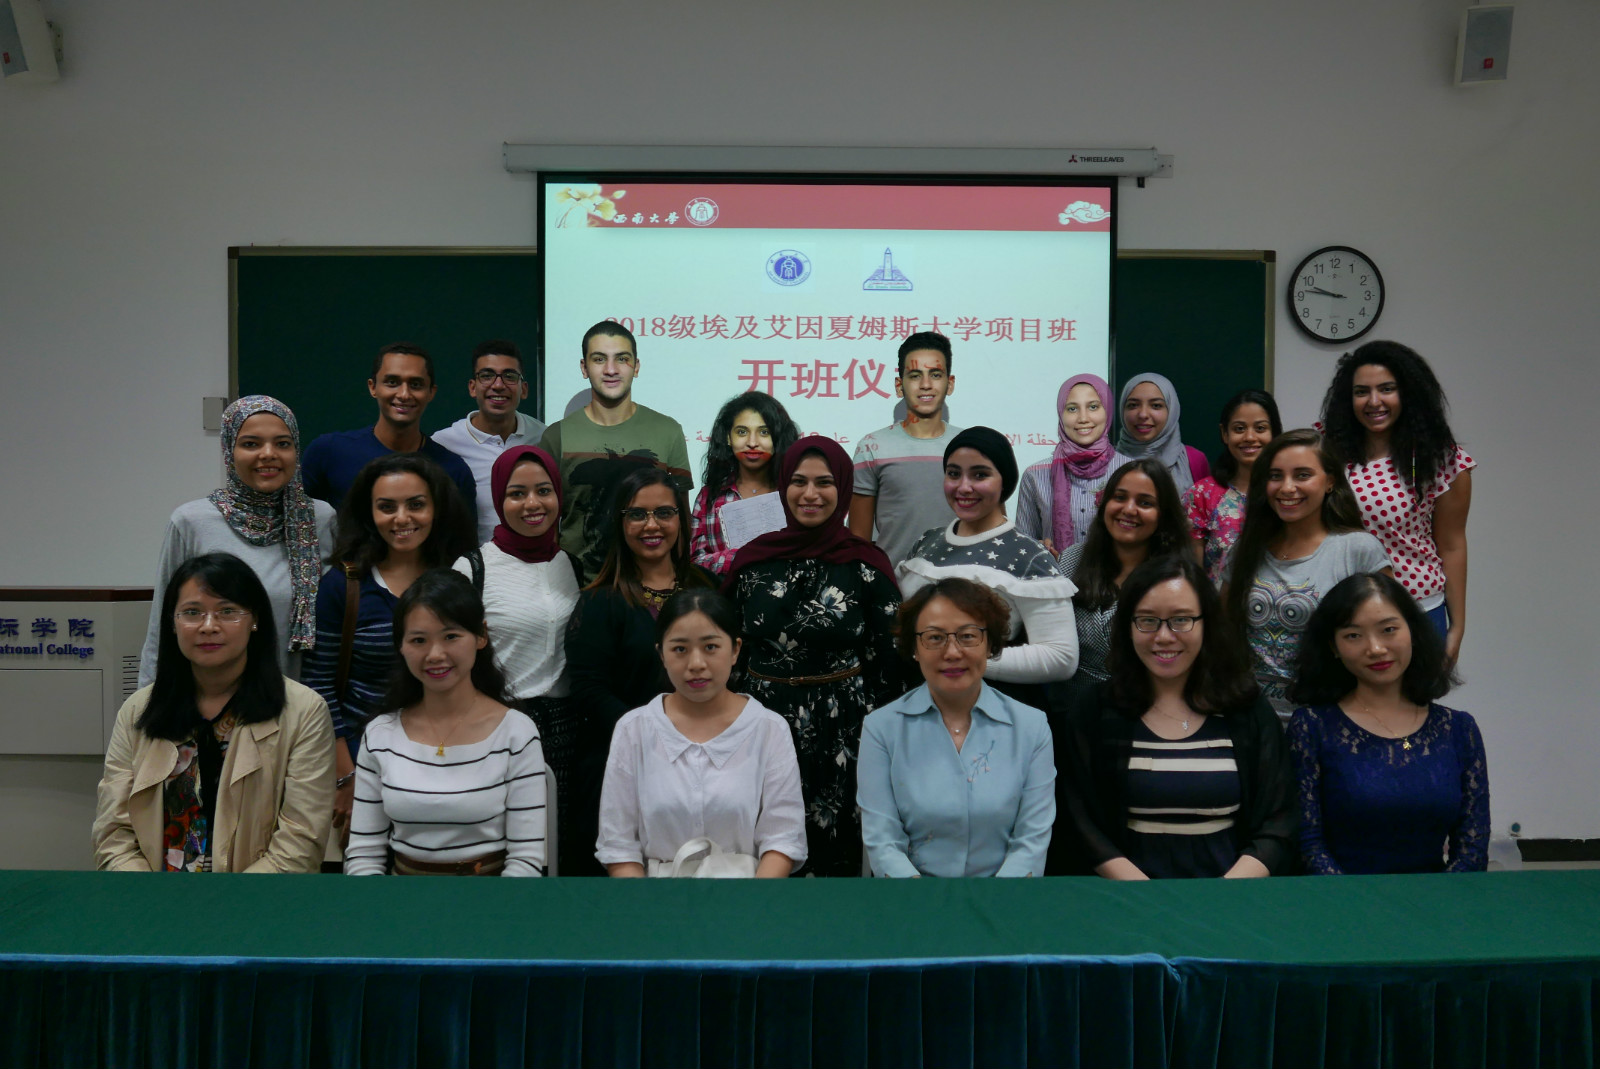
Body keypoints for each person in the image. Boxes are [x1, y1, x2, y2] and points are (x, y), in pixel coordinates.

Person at [1049, 555, 1295, 879]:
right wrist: (1144, 893)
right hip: (1126, 897)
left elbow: (1279, 818)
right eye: (1147, 620)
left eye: (1181, 620)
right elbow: (1080, 819)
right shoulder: (1095, 710)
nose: (1164, 636)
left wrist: (1228, 892)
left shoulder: (1245, 708)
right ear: (1128, 626)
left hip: (1233, 894)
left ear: (1207, 623)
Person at [725, 436, 904, 877]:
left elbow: (891, 661)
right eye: (799, 482)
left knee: (837, 848)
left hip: (844, 727)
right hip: (759, 723)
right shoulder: (753, 560)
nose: (810, 494)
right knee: (760, 841)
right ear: (783, 486)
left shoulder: (865, 564)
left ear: (842, 488)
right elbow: (728, 649)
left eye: (824, 483)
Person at [94, 552, 335, 872]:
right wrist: (148, 894)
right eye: (192, 612)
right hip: (151, 896)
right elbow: (114, 836)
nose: (208, 626)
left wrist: (227, 900)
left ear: (255, 620)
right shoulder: (138, 711)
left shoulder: (304, 712)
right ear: (172, 623)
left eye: (227, 611)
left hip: (256, 898)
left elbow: (300, 843)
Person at [301, 453, 477, 843]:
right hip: (363, 762)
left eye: (416, 504)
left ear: (436, 508)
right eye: (386, 507)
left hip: (449, 760)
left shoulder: (460, 577)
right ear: (369, 513)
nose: (402, 518)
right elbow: (319, 685)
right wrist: (347, 777)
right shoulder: (344, 585)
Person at [345, 569, 547, 876]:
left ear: (481, 636)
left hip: (493, 896)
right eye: (418, 640)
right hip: (399, 897)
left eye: (451, 636)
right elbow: (364, 855)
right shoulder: (380, 734)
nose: (435, 654)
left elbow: (526, 860)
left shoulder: (516, 732)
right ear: (401, 646)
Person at [565, 466, 716, 874]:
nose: (652, 525)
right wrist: (655, 735)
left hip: (704, 762)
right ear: (620, 522)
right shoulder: (599, 601)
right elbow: (589, 690)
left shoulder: (707, 588)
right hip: (622, 766)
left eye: (664, 513)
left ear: (681, 520)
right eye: (637, 514)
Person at [597, 588, 807, 877]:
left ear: (735, 650)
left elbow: (783, 839)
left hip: (747, 892)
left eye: (710, 647)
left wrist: (752, 901)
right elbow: (619, 846)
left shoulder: (768, 728)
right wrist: (647, 904)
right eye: (680, 649)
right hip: (654, 895)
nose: (696, 664)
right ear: (661, 654)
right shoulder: (633, 729)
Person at [1287, 573, 1488, 874]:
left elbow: (1472, 849)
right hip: (1339, 898)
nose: (1376, 648)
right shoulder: (1311, 727)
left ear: (1413, 631)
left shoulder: (1458, 729)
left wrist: (1442, 898)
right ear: (1333, 647)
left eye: (1388, 630)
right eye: (1353, 635)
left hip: (1439, 898)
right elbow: (1308, 845)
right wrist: (1353, 899)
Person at [857, 578, 1055, 877]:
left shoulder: (1031, 726)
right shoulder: (882, 728)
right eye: (934, 638)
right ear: (914, 648)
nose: (952, 652)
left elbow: (1031, 841)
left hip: (1005, 897)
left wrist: (995, 902)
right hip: (912, 898)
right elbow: (883, 841)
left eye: (968, 636)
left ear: (990, 644)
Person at [139, 395, 336, 687]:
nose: (268, 454)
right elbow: (163, 624)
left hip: (303, 697)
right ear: (229, 450)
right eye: (251, 444)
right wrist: (150, 699)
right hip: (213, 696)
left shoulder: (320, 519)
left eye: (283, 444)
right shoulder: (192, 522)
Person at [452, 445, 581, 873]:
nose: (532, 504)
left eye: (543, 490)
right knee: (495, 852)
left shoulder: (570, 565)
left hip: (565, 729)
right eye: (516, 493)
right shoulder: (472, 568)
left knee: (557, 850)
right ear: (498, 499)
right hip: (497, 725)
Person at [1318, 341, 1474, 663]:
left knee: (1412, 697)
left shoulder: (1441, 459)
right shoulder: (1327, 451)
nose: (1374, 401)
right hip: (1341, 611)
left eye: (1387, 389)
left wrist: (1457, 626)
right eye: (1362, 392)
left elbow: (1452, 545)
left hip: (1416, 611)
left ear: (1409, 393)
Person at [898, 427, 1079, 700]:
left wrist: (960, 659)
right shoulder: (927, 542)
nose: (964, 487)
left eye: (980, 475)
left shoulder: (1030, 556)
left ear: (1004, 481)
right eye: (954, 473)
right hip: (918, 699)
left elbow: (1060, 657)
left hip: (989, 705)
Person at [1222, 429, 1391, 720]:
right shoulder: (1246, 550)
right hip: (1251, 721)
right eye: (1275, 476)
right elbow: (1222, 630)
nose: (1287, 488)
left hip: (1328, 722)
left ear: (1330, 481)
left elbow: (1384, 643)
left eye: (1302, 475)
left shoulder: (1358, 550)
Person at [538, 321, 693, 581]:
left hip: (651, 587)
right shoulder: (556, 437)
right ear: (584, 368)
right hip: (577, 586)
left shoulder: (668, 431)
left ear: (636, 366)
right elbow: (548, 525)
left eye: (622, 358)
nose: (611, 370)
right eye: (599, 359)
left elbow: (682, 520)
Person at [298, 343, 478, 524]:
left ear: (431, 392)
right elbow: (296, 521)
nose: (404, 394)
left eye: (416, 384)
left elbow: (463, 541)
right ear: (373, 387)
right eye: (392, 382)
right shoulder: (329, 452)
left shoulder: (453, 470)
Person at [1056, 459, 1191, 684]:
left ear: (1163, 515)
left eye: (1145, 503)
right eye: (1119, 498)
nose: (1128, 510)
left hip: (1143, 695)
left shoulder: (1177, 579)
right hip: (1067, 697)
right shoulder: (1072, 558)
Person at [849, 332, 964, 568]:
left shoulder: (970, 445)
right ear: (899, 385)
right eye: (915, 375)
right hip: (892, 583)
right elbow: (858, 542)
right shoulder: (872, 447)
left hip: (961, 584)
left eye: (935, 374)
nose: (926, 385)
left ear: (950, 383)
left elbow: (991, 527)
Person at [431, 340, 548, 545]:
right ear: (472, 387)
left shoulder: (544, 437)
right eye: (486, 376)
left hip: (535, 560)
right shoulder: (443, 445)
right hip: (471, 562)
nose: (498, 385)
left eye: (510, 376)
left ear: (524, 389)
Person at [1015, 372, 1133, 554]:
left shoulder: (1130, 472)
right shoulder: (1035, 475)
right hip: (1055, 572)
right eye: (1072, 409)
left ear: (1108, 411)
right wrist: (1041, 551)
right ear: (1060, 414)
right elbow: (1023, 549)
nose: (1083, 418)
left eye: (1093, 407)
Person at [690, 391, 800, 575]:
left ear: (777, 437)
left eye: (764, 432)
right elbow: (695, 563)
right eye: (742, 432)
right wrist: (743, 556)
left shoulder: (795, 493)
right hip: (724, 592)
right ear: (728, 437)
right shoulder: (709, 496)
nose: (752, 442)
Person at [1183, 389, 1284, 586]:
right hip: (1219, 603)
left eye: (1260, 428)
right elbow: (1193, 576)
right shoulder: (1202, 495)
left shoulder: (1288, 492)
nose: (1250, 437)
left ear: (1274, 432)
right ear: (1225, 433)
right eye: (1239, 429)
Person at [1115, 373, 1209, 495]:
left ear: (1171, 410)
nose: (1143, 414)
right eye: (1133, 405)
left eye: (1156, 406)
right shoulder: (1107, 463)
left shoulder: (1195, 460)